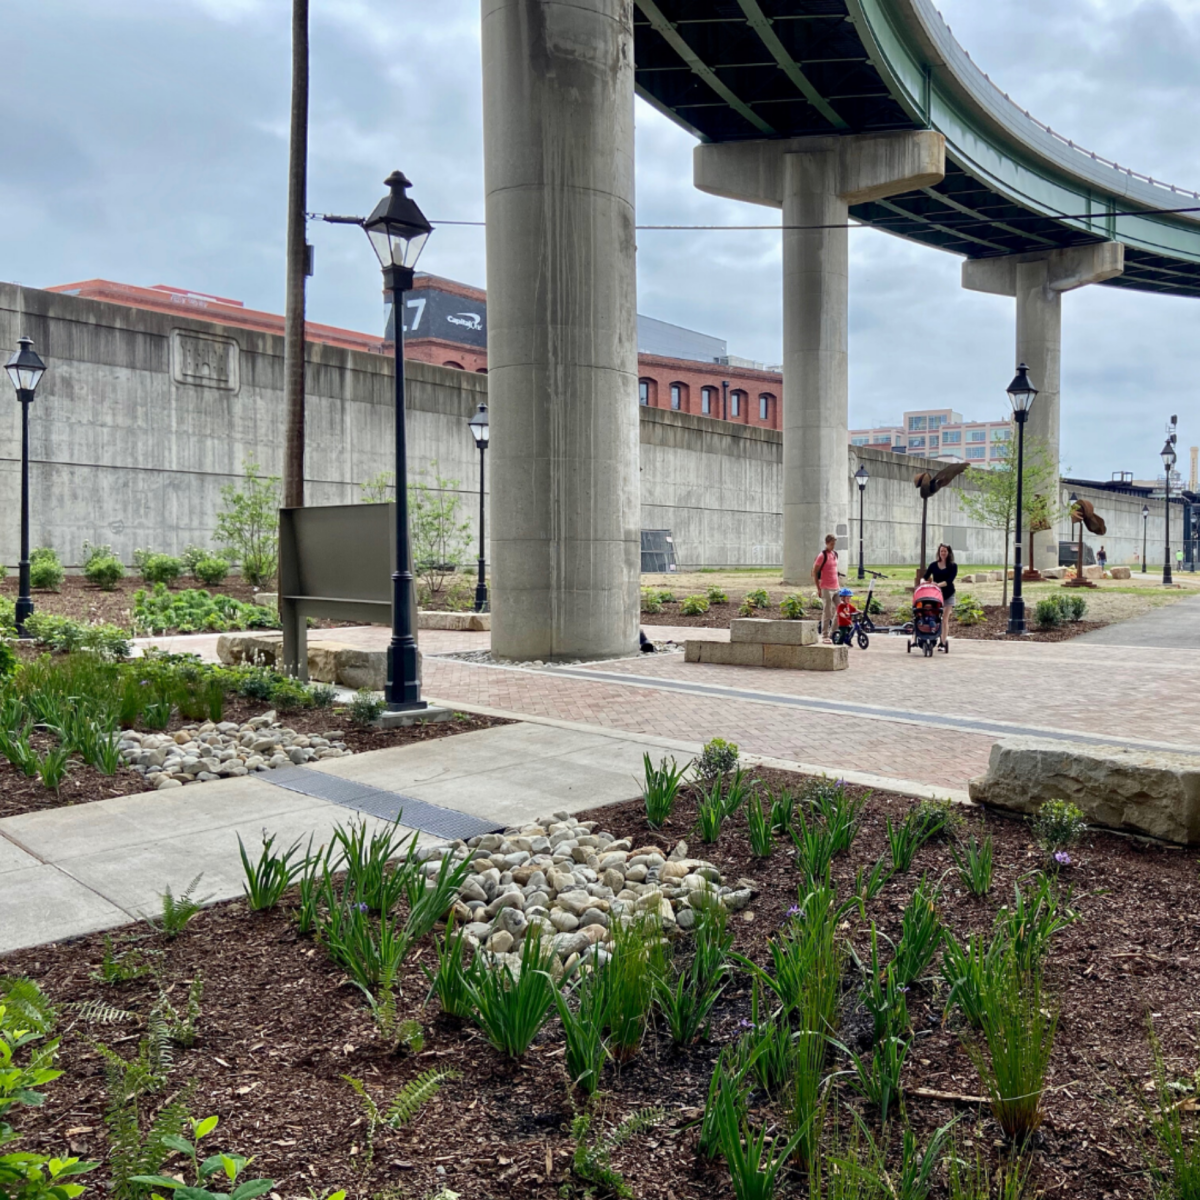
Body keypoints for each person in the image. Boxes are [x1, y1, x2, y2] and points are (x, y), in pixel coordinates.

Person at [921, 542, 958, 651]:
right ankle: (931, 637)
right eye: (941, 551)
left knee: (944, 619)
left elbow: (949, 581)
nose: (943, 553)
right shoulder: (933, 565)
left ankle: (942, 642)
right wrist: (922, 582)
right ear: (939, 552)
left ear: (948, 552)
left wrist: (937, 584)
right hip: (935, 595)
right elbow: (925, 577)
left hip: (948, 594)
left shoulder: (953, 566)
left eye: (945, 551)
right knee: (934, 617)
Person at [811, 533, 842, 643]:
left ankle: (833, 633)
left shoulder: (835, 554)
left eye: (834, 544)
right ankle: (824, 636)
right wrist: (818, 588)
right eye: (831, 544)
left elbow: (834, 570)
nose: (833, 546)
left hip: (836, 587)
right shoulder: (822, 555)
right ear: (826, 543)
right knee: (827, 612)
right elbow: (814, 571)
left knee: (841, 609)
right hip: (826, 588)